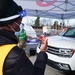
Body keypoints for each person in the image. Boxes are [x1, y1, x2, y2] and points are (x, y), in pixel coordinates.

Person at [0, 0, 48, 75]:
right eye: (18, 24)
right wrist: (42, 52)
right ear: (10, 24)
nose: (19, 28)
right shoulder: (16, 55)